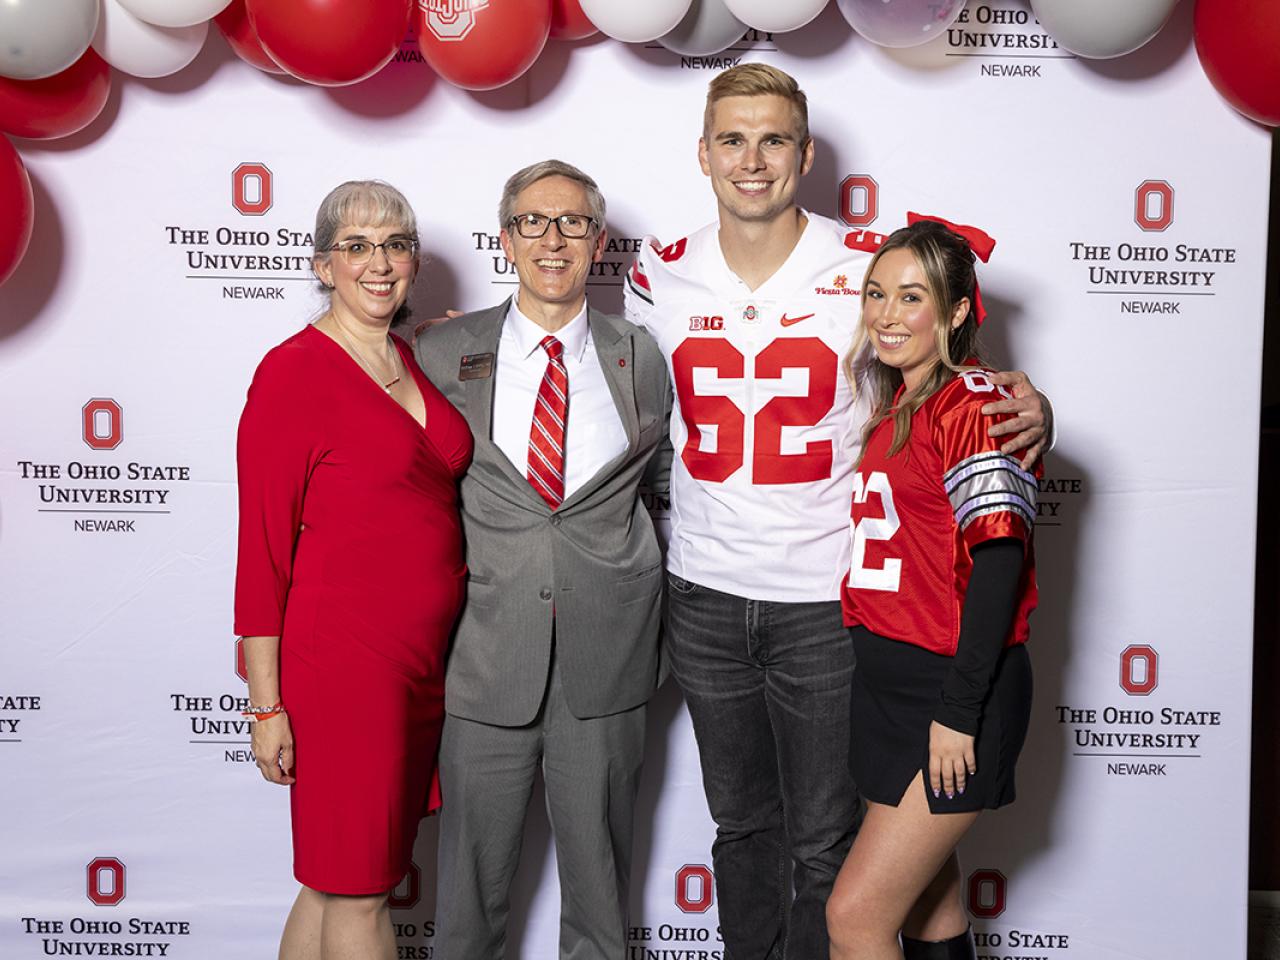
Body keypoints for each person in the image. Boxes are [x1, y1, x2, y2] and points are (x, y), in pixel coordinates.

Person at [622, 64, 1050, 959]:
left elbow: (957, 363)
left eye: (774, 139)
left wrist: (1038, 408)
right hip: (701, 591)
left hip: (825, 596)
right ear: (702, 154)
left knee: (827, 846)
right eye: (732, 139)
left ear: (806, 153)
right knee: (741, 829)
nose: (752, 159)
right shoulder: (657, 275)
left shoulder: (866, 264)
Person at [413, 159, 670, 960]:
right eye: (533, 222)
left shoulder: (643, 356)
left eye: (572, 224)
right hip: (483, 655)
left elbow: (667, 488)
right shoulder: (441, 351)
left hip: (609, 655)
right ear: (505, 239)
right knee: (468, 896)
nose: (552, 240)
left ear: (598, 243)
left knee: (600, 892)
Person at [234, 180, 472, 960]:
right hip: (343, 666)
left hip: (419, 664)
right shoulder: (293, 372)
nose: (380, 262)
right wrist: (267, 705)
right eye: (357, 246)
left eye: (396, 244)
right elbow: (262, 553)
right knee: (364, 893)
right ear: (321, 265)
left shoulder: (413, 357)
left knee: (333, 880)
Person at [825, 219, 1038, 960]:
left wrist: (958, 711)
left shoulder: (973, 404)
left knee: (854, 916)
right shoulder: (897, 399)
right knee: (930, 906)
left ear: (955, 312)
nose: (885, 314)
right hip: (889, 685)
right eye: (877, 293)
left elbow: (1001, 563)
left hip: (952, 693)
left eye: (911, 297)